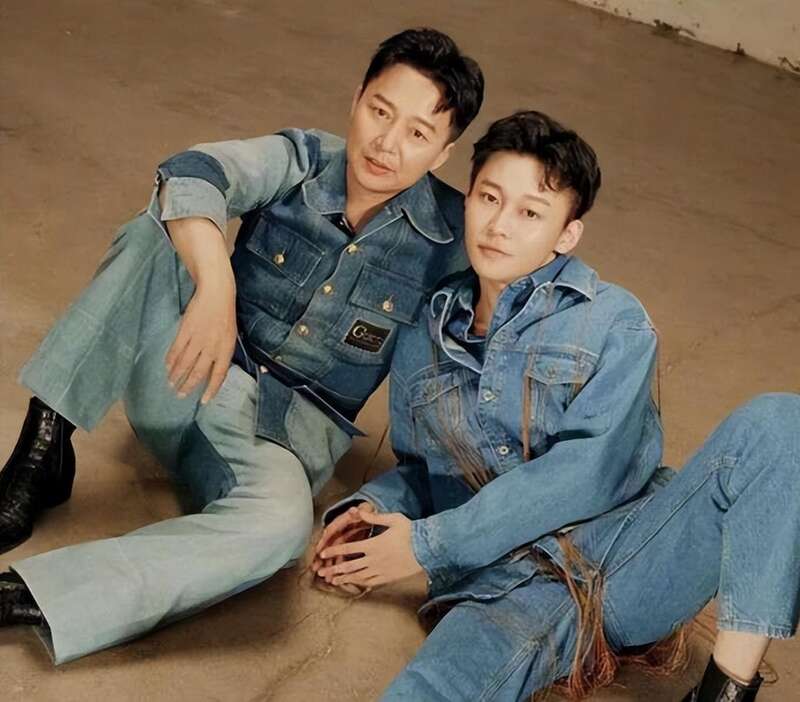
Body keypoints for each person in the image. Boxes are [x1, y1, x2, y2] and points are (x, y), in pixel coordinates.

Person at [0, 28, 484, 664]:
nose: (387, 144)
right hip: (187, 371)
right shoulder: (302, 158)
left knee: (282, 528)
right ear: (356, 99)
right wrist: (216, 284)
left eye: (418, 133)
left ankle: (36, 596)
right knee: (157, 226)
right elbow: (191, 171)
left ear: (444, 152)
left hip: (278, 441)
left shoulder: (455, 240)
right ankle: (43, 449)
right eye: (380, 111)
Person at [313, 111, 800, 701]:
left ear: (566, 234)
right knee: (429, 690)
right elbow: (425, 472)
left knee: (781, 423)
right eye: (489, 198)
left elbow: (589, 473)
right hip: (506, 586)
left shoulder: (613, 322)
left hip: (630, 555)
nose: (499, 226)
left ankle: (726, 692)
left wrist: (426, 546)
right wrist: (372, 513)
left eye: (530, 213)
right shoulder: (426, 332)